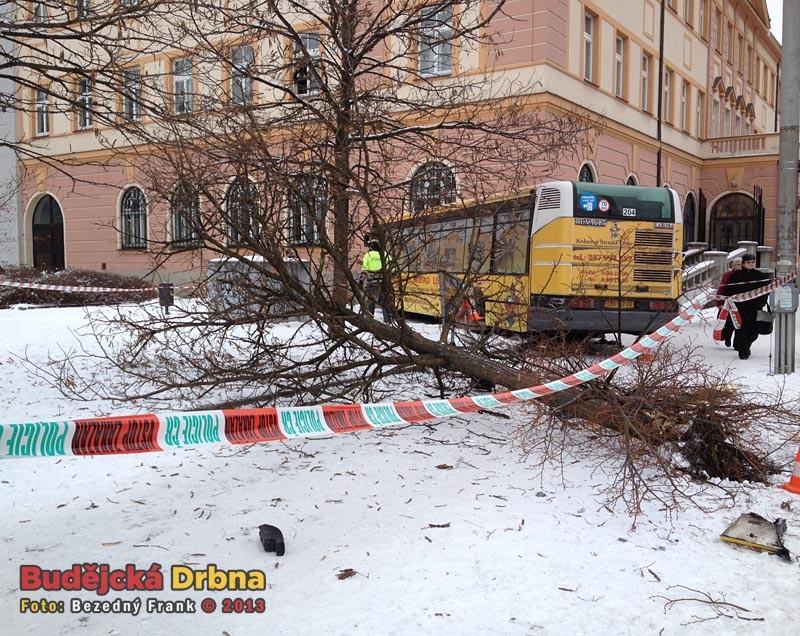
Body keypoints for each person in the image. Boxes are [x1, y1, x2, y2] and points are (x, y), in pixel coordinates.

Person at [725, 253, 770, 360]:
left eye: (752, 262)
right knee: (741, 330)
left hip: (755, 308)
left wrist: (761, 303)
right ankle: (743, 351)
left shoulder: (760, 276)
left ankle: (747, 345)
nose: (750, 264)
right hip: (740, 308)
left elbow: (765, 291)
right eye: (748, 262)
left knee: (754, 331)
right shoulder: (736, 276)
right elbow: (729, 290)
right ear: (743, 263)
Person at [715, 257, 742, 347]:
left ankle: (737, 342)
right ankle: (728, 337)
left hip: (741, 302)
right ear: (733, 265)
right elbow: (722, 287)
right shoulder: (728, 274)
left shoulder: (745, 274)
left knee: (739, 322)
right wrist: (719, 301)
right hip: (729, 301)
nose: (740, 266)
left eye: (741, 264)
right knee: (730, 322)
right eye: (738, 264)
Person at [360, 239, 389, 319]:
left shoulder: (368, 255)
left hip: (372, 281)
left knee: (371, 300)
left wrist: (361, 281)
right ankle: (388, 320)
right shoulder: (385, 254)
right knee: (385, 301)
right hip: (384, 281)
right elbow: (391, 266)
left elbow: (364, 269)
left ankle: (370, 317)